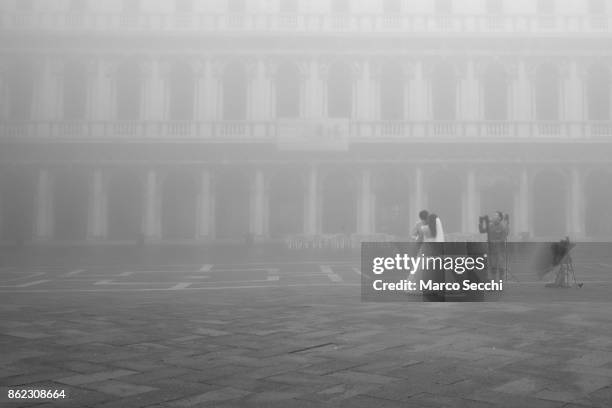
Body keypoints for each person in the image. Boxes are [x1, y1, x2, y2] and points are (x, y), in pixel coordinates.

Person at [479, 211, 509, 280]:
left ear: (499, 218)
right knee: (493, 268)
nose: (493, 217)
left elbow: (503, 239)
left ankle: (500, 284)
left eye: (495, 216)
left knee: (501, 268)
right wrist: (481, 222)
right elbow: (482, 231)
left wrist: (491, 241)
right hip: (491, 250)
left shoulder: (502, 227)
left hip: (500, 251)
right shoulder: (490, 225)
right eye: (493, 216)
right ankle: (493, 285)